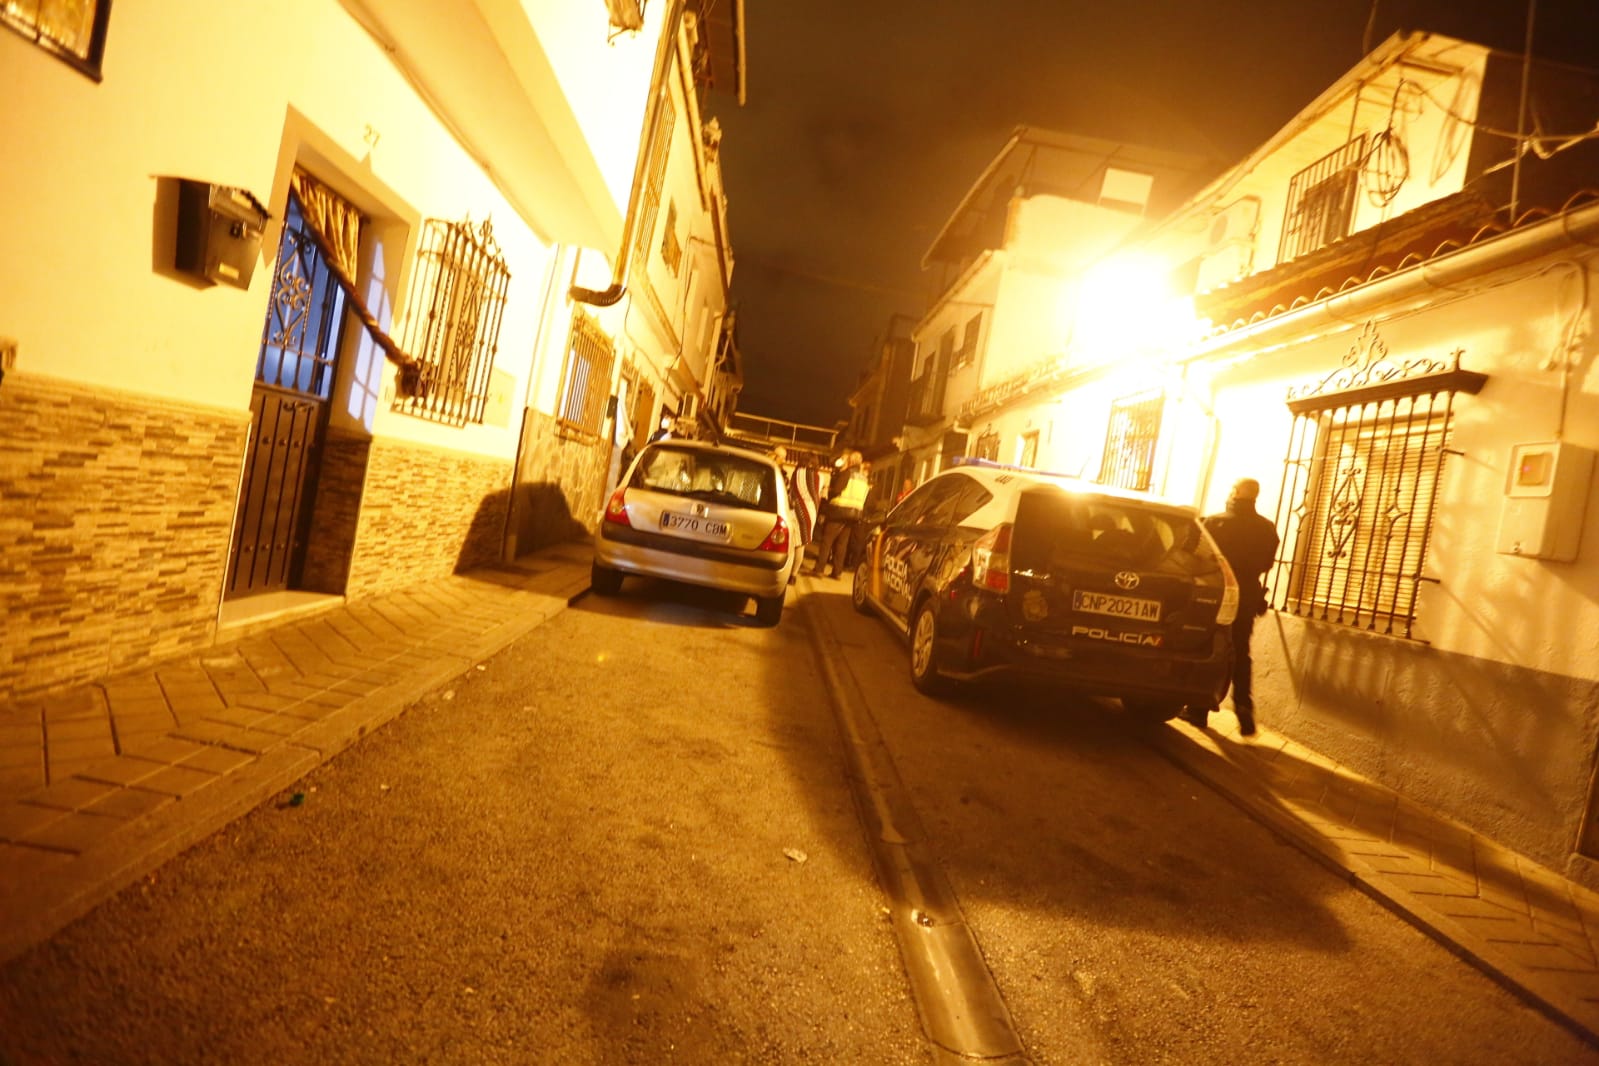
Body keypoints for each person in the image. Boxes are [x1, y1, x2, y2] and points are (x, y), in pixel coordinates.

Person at [1196, 477, 1280, 736]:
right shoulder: (1267, 528)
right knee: (1241, 650)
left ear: (1234, 492)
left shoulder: (1214, 523)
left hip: (1218, 591)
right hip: (1247, 595)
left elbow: (1199, 556)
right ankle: (1243, 705)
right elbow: (1267, 563)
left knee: (1208, 646)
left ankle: (1199, 707)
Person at [807, 450, 868, 579]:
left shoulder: (847, 473)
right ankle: (837, 572)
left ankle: (819, 569)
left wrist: (829, 492)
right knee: (842, 543)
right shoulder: (864, 478)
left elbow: (837, 490)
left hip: (839, 511)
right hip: (854, 513)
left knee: (827, 540)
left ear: (851, 461)